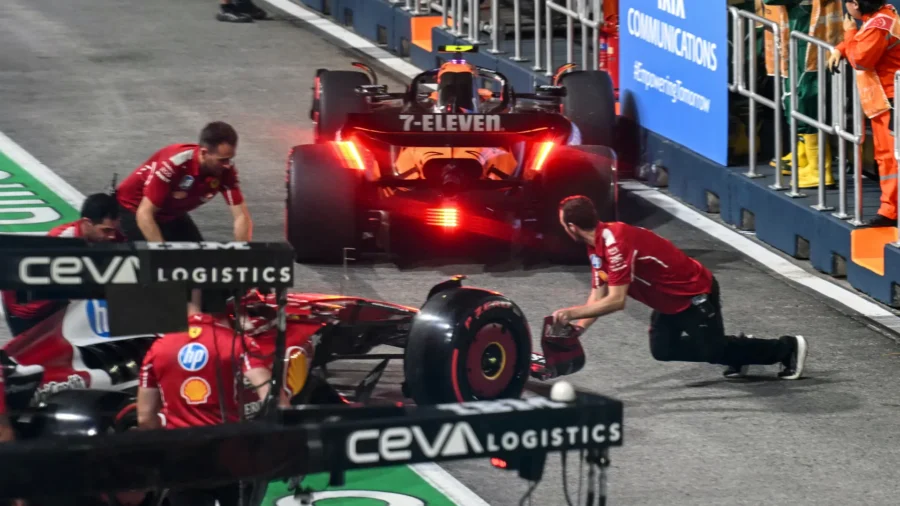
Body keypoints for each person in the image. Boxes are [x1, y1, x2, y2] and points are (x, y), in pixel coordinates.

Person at [546, 195, 809, 380]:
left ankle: (786, 348)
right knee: (662, 350)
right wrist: (577, 329)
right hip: (666, 301)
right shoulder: (596, 247)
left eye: (561, 224)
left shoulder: (615, 244)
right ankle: (738, 349)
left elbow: (616, 300)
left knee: (714, 351)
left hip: (693, 293)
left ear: (572, 226)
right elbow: (598, 295)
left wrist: (571, 313)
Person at [137, 310, 275, 506]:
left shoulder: (158, 348)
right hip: (231, 456)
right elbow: (273, 400)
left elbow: (144, 419)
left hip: (181, 457)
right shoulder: (236, 342)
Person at [1, 192, 124, 337]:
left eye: (114, 230)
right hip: (28, 311)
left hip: (58, 301)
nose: (111, 236)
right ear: (87, 223)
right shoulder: (60, 243)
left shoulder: (112, 238)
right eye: (106, 230)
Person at [116, 121, 253, 244]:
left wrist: (241, 253)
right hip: (133, 209)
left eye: (230, 159)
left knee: (198, 260)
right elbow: (144, 214)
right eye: (222, 160)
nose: (227, 165)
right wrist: (162, 253)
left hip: (170, 211)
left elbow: (241, 216)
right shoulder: (174, 165)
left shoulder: (225, 169)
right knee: (161, 264)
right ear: (204, 153)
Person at [828, 0, 900, 227]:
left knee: (892, 158)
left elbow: (861, 59)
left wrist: (848, 35)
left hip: (891, 101)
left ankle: (890, 211)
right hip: (884, 101)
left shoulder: (880, 24)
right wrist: (841, 48)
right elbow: (863, 41)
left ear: (855, 4)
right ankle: (889, 209)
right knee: (886, 158)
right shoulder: (881, 16)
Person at [760, 0, 842, 188]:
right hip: (799, 45)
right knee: (796, 104)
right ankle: (808, 161)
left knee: (806, 107)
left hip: (809, 53)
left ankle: (820, 170)